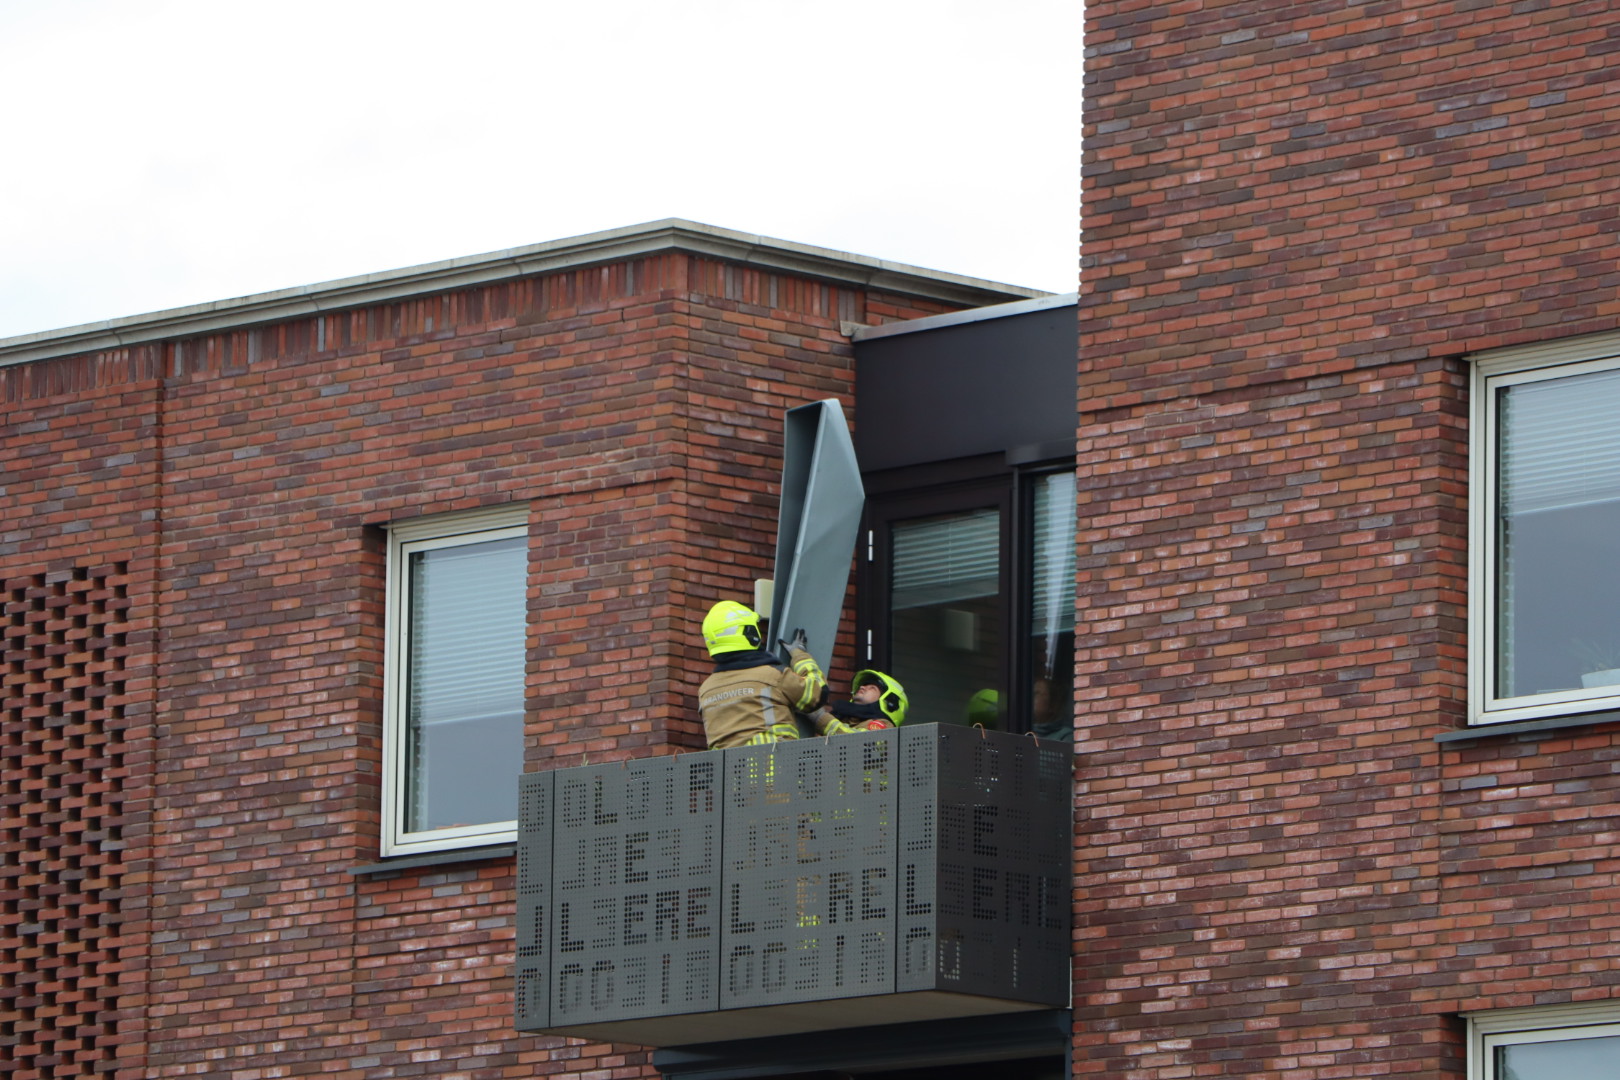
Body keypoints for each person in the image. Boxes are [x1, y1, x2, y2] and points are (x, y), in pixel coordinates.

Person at [697, 600, 827, 749]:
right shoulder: (771, 675)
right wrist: (800, 656)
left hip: (726, 771)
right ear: (749, 633)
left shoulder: (706, 690)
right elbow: (817, 693)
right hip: (775, 767)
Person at [810, 669, 909, 734]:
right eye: (863, 685)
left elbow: (857, 742)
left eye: (872, 688)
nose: (862, 687)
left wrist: (820, 718)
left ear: (890, 703)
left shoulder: (885, 727)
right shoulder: (840, 719)